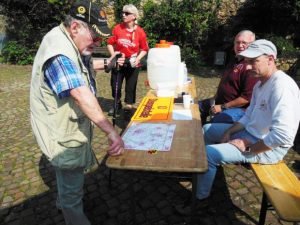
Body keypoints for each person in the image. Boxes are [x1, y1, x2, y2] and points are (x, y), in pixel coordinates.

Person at [30, 1, 125, 225]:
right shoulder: (59, 54)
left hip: (68, 126)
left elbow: (84, 65)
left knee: (69, 181)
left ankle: (65, 201)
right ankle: (72, 212)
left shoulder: (68, 39)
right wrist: (111, 132)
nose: (99, 41)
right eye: (95, 35)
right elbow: (81, 94)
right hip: (63, 133)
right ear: (75, 28)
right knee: (72, 192)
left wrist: (108, 64)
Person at [182, 39, 300, 213]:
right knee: (207, 129)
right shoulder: (260, 84)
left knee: (210, 153)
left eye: (254, 61)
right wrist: (229, 132)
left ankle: (200, 201)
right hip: (251, 135)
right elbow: (248, 116)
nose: (249, 67)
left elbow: (283, 136)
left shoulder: (282, 86)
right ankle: (205, 173)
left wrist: (249, 148)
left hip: (268, 148)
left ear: (271, 59)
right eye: (247, 62)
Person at [199, 30, 258, 124]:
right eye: (237, 42)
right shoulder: (234, 60)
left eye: (244, 43)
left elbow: (246, 99)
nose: (240, 45)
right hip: (220, 102)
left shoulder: (250, 66)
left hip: (239, 109)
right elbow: (226, 83)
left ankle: (207, 133)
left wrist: (223, 107)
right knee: (197, 107)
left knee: (213, 124)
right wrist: (215, 97)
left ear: (252, 45)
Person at [107, 4, 149, 115]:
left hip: (133, 61)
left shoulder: (140, 32)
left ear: (134, 16)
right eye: (122, 12)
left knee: (131, 86)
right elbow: (110, 44)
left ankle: (128, 107)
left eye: (127, 13)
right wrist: (114, 57)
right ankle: (117, 103)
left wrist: (138, 58)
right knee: (115, 84)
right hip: (119, 60)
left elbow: (144, 49)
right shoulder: (117, 28)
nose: (123, 15)